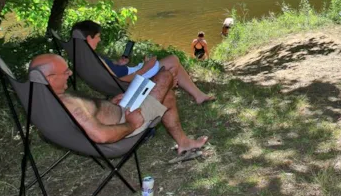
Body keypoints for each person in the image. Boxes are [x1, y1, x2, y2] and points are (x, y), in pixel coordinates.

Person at [29, 53, 208, 154]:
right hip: (126, 122)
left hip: (119, 111)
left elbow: (91, 114)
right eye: (65, 72)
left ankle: (183, 143)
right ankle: (184, 141)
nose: (70, 74)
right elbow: (101, 136)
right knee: (165, 76)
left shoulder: (44, 98)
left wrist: (109, 105)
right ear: (49, 78)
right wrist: (131, 124)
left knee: (166, 97)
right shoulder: (68, 105)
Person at [72, 20, 215, 104]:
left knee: (170, 65)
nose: (99, 39)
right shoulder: (94, 58)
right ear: (89, 38)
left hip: (131, 72)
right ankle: (192, 94)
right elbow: (119, 80)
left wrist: (118, 63)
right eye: (97, 37)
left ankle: (183, 91)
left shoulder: (85, 56)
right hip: (132, 79)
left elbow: (110, 72)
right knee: (172, 60)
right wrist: (146, 68)